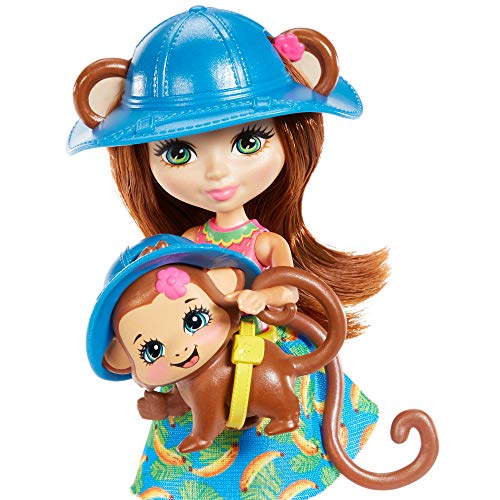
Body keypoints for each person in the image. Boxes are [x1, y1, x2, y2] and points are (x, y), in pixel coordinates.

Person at [68, 6, 400, 499]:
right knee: (191, 434)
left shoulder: (266, 242)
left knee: (278, 435)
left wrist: (263, 297)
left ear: (291, 137)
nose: (218, 174)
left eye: (247, 141)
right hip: (201, 356)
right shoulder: (185, 247)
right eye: (179, 153)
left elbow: (288, 290)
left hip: (262, 349)